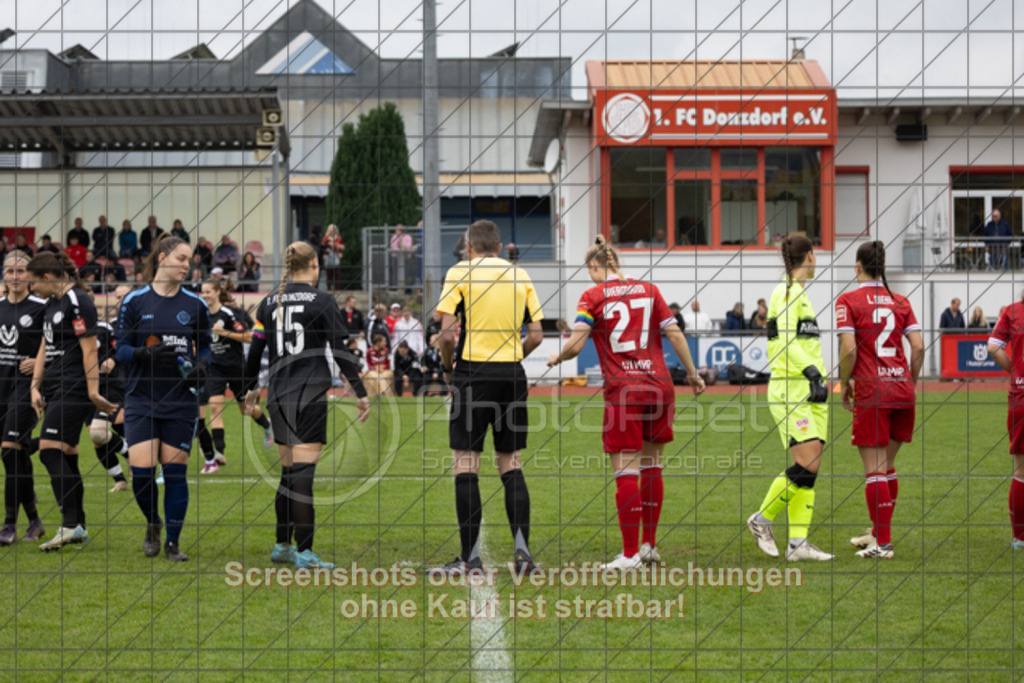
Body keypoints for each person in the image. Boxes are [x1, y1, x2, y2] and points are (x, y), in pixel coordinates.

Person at [547, 236, 705, 569]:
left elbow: (576, 345)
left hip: (624, 390)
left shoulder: (592, 296)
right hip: (660, 386)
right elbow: (675, 334)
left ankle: (630, 554)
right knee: (652, 464)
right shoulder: (650, 290)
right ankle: (648, 546)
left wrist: (555, 358)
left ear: (594, 266)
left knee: (625, 469)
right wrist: (692, 374)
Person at [242, 241, 370, 570]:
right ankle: (306, 551)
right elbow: (341, 352)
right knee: (302, 477)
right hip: (310, 396)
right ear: (314, 263)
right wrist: (360, 391)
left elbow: (256, 352)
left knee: (288, 474)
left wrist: (248, 389)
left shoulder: (269, 303)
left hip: (280, 396)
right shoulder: (324, 301)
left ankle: (283, 545)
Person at [428, 219, 544, 577]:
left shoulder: (460, 272)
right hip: (511, 374)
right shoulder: (520, 275)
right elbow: (537, 335)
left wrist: (449, 369)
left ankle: (469, 558)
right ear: (498, 246)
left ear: (469, 246)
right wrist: (512, 358)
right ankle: (523, 555)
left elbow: (447, 334)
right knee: (511, 464)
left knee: (466, 463)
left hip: (472, 374)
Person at [114, 235, 211, 562]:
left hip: (181, 402)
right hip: (141, 399)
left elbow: (207, 347)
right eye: (182, 259)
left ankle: (172, 542)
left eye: (190, 261)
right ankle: (152, 522)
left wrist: (201, 366)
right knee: (141, 473)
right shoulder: (134, 301)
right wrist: (144, 353)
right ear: (162, 257)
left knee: (175, 475)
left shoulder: (196, 305)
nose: (188, 266)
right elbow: (121, 350)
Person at [746, 234, 834, 562]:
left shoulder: (799, 294)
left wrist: (818, 377)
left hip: (808, 390)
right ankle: (761, 520)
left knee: (810, 467)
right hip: (790, 389)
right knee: (807, 464)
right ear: (809, 256)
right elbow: (784, 341)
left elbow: (803, 342)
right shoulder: (785, 291)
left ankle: (798, 544)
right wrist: (812, 372)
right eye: (816, 254)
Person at [836, 241, 924, 559]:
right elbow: (918, 347)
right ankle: (876, 532)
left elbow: (849, 349)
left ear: (858, 266)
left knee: (874, 469)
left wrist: (844, 383)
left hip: (873, 391)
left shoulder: (848, 300)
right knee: (887, 466)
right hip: (902, 389)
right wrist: (908, 383)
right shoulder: (900, 300)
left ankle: (883, 545)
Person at [28, 252, 117, 551]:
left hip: (75, 387)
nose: (32, 290)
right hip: (56, 387)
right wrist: (35, 386)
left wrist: (93, 392)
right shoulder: (52, 303)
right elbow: (45, 345)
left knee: (48, 452)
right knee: (65, 454)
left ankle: (70, 525)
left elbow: (90, 350)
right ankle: (77, 525)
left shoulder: (78, 300)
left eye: (33, 283)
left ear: (48, 278)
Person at [196, 278, 274, 474]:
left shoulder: (229, 314)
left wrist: (224, 333)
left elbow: (249, 336)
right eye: (202, 292)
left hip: (236, 367)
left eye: (208, 292)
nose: (204, 295)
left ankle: (267, 425)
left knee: (245, 409)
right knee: (215, 407)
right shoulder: (201, 316)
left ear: (216, 293)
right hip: (214, 368)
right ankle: (219, 453)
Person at [0, 252, 48, 545]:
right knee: (15, 455)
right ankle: (34, 520)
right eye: (9, 271)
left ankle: (8, 525)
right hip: (1, 390)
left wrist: (39, 365)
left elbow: (59, 348)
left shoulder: (43, 308)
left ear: (29, 275)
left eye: (20, 271)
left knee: (9, 450)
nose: (15, 276)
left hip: (26, 389)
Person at [986, 296, 1024, 551]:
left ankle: (1019, 537)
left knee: (1020, 470)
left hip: (1020, 396)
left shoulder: (1013, 312)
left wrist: (1014, 370)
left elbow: (992, 347)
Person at [89, 284, 132, 493]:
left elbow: (121, 350)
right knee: (97, 438)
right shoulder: (69, 330)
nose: (121, 300)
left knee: (105, 430)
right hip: (83, 389)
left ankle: (135, 454)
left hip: (114, 386)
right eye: (118, 297)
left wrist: (112, 360)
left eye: (125, 296)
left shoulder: (105, 329)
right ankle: (120, 479)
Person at [363, 333, 394, 398]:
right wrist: (375, 368)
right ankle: (373, 395)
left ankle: (385, 395)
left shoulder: (386, 350)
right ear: (378, 342)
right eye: (384, 341)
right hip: (373, 370)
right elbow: (368, 363)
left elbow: (388, 362)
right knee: (372, 375)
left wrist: (384, 367)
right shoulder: (369, 351)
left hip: (384, 370)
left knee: (388, 374)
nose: (385, 343)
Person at [321, 224, 345, 291]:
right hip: (328, 258)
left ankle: (337, 289)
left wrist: (334, 245)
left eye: (333, 229)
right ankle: (329, 289)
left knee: (337, 274)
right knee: (328, 275)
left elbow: (342, 247)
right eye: (330, 229)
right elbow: (322, 247)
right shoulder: (325, 238)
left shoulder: (339, 238)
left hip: (336, 258)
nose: (332, 231)